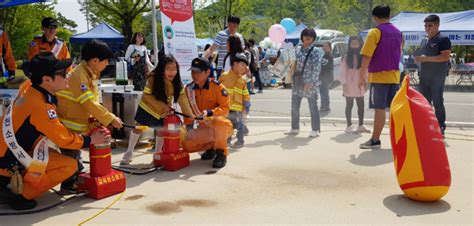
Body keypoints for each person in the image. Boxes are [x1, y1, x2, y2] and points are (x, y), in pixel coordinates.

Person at [0, 52, 110, 210]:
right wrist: (91, 140)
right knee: (68, 165)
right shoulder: (41, 107)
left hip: (8, 151)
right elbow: (63, 139)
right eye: (63, 74)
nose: (68, 76)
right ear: (46, 80)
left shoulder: (29, 88)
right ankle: (17, 193)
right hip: (7, 163)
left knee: (52, 155)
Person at [56, 39, 123, 192]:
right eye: (105, 62)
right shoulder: (79, 76)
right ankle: (68, 185)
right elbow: (88, 103)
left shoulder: (90, 73)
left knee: (75, 154)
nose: (107, 65)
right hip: (69, 124)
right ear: (95, 61)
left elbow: (91, 101)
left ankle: (75, 180)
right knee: (70, 156)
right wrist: (110, 118)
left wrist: (96, 118)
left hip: (76, 123)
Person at [120, 55, 194, 165]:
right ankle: (129, 152)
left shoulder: (177, 82)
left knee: (161, 130)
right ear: (162, 68)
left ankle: (157, 155)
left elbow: (182, 98)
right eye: (168, 68)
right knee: (138, 127)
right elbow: (147, 96)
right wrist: (164, 107)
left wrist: (189, 114)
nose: (172, 72)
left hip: (163, 111)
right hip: (147, 107)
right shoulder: (153, 78)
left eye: (174, 69)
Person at [358, 5, 402, 149]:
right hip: (394, 76)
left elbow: (366, 56)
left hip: (379, 76)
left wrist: (361, 76)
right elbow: (399, 53)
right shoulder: (399, 33)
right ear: (390, 15)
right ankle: (399, 140)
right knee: (394, 110)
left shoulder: (375, 32)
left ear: (374, 18)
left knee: (380, 109)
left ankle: (375, 140)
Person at [182, 57, 233, 168]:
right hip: (204, 128)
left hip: (221, 127)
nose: (194, 75)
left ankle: (221, 153)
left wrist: (210, 112)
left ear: (207, 72)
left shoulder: (217, 87)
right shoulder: (188, 89)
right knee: (186, 144)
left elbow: (225, 109)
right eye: (192, 71)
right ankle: (211, 148)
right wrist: (189, 129)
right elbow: (187, 111)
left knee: (219, 122)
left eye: (198, 72)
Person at [415, 14, 451, 136]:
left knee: (438, 102)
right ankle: (427, 125)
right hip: (424, 77)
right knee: (424, 104)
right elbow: (420, 55)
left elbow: (445, 57)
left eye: (430, 25)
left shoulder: (443, 39)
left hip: (437, 78)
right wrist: (417, 58)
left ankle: (440, 126)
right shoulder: (425, 40)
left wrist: (426, 59)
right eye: (425, 25)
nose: (427, 28)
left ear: (437, 25)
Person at [284, 28, 323, 138]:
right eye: (305, 36)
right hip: (297, 82)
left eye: (310, 37)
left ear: (313, 39)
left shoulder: (315, 51)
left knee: (313, 107)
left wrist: (311, 81)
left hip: (310, 83)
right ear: (302, 37)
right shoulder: (297, 49)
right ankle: (295, 127)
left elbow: (317, 67)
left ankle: (315, 129)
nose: (307, 38)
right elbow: (289, 63)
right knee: (294, 106)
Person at [339, 36, 371, 133]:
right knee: (349, 104)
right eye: (352, 44)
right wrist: (344, 83)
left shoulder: (363, 56)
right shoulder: (346, 56)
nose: (354, 46)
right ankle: (349, 125)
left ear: (360, 44)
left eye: (356, 44)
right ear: (349, 44)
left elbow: (366, 70)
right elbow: (343, 71)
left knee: (360, 104)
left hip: (359, 83)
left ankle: (361, 125)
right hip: (348, 84)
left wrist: (365, 82)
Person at [219, 53, 250, 148]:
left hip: (238, 108)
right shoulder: (224, 76)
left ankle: (240, 141)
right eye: (242, 65)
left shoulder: (243, 80)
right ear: (235, 64)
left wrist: (247, 107)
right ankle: (227, 140)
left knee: (240, 125)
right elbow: (218, 90)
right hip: (226, 106)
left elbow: (246, 94)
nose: (244, 68)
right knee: (228, 125)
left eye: (245, 67)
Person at [319, 42, 334, 112]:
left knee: (324, 92)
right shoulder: (324, 55)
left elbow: (329, 67)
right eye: (323, 46)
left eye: (326, 46)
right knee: (322, 92)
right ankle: (323, 105)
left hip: (326, 77)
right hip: (322, 77)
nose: (324, 47)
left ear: (330, 47)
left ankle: (326, 106)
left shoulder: (329, 56)